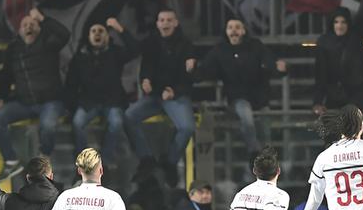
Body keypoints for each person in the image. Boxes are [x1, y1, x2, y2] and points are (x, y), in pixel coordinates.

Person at [0, 8, 69, 175]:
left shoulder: (48, 43)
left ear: (39, 28)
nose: (28, 27)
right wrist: (1, 97)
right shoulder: (14, 49)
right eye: (25, 24)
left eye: (33, 24)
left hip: (50, 101)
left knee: (48, 125)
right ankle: (11, 160)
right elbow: (5, 75)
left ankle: (44, 156)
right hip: (24, 102)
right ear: (19, 30)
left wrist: (42, 18)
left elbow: (64, 34)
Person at [125, 9, 198, 180]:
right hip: (154, 96)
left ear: (175, 23)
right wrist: (145, 80)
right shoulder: (151, 42)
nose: (165, 23)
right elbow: (146, 67)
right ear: (157, 24)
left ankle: (170, 162)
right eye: (162, 20)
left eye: (169, 20)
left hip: (176, 96)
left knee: (187, 127)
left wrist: (174, 91)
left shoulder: (186, 44)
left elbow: (190, 78)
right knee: (128, 116)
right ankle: (146, 158)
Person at [197, 18, 286, 154]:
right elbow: (205, 70)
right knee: (247, 119)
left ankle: (265, 159)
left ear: (244, 31)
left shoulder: (256, 46)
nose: (234, 30)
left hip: (260, 97)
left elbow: (271, 63)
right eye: (230, 27)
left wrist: (280, 69)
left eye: (237, 27)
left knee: (265, 132)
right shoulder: (220, 50)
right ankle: (255, 153)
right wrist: (193, 69)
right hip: (236, 97)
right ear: (226, 32)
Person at [65, 18, 139, 160]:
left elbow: (135, 50)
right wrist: (72, 106)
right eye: (93, 31)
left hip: (112, 101)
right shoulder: (80, 56)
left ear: (107, 36)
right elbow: (71, 83)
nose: (97, 33)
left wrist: (119, 29)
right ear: (88, 36)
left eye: (101, 31)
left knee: (116, 123)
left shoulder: (115, 52)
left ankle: (104, 161)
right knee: (77, 123)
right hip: (88, 102)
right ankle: (85, 161)